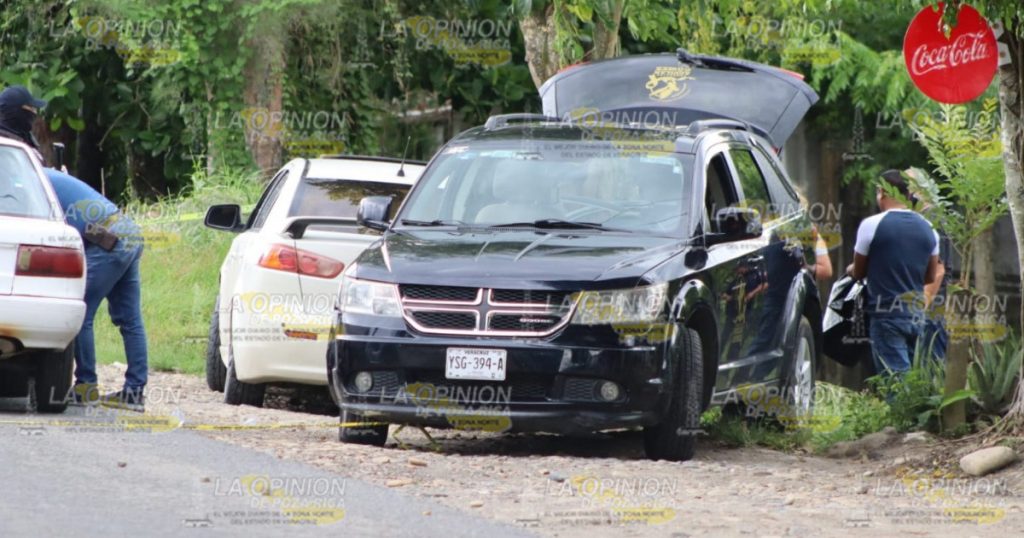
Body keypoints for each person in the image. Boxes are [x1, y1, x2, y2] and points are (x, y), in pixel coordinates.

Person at [47, 169, 149, 411]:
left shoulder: (30, 178)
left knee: (80, 313)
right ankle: (134, 393)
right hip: (128, 232)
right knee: (131, 320)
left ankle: (86, 387)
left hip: (107, 240)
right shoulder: (48, 175)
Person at [847, 170, 939, 375]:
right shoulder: (929, 228)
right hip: (916, 315)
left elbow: (859, 272)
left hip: (886, 314)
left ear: (882, 192)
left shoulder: (871, 225)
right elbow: (930, 276)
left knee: (896, 380)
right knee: (914, 376)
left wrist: (851, 269)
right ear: (908, 193)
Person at [0, 85, 46, 158]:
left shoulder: (25, 136)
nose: (34, 112)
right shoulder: (5, 145)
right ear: (16, 111)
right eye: (30, 107)